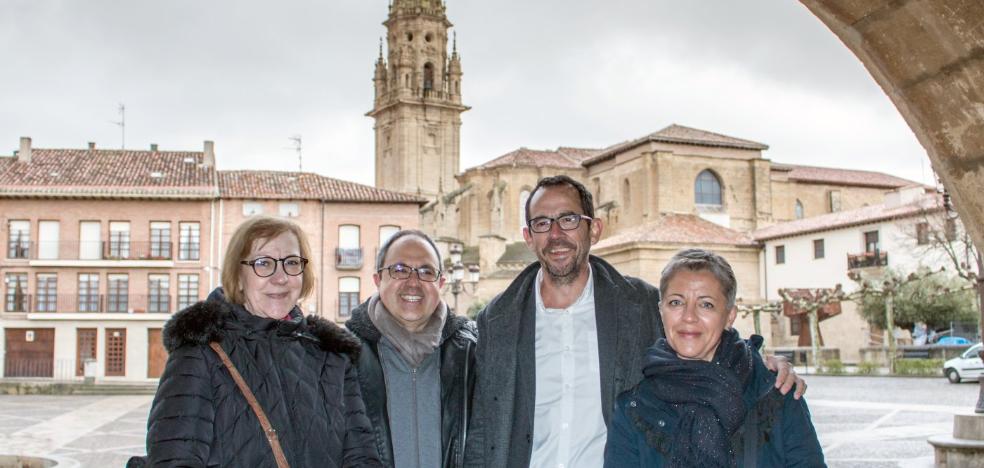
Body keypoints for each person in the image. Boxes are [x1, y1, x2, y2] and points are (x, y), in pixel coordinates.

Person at [463, 175, 804, 468]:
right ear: (528, 237)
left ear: (594, 229)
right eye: (542, 223)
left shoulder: (640, 305)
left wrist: (760, 366)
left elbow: (699, 336)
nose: (555, 234)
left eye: (568, 219)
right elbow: (481, 426)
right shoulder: (497, 321)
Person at [129, 216, 382, 467]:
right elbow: (176, 459)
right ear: (237, 276)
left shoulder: (332, 356)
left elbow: (361, 458)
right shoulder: (201, 353)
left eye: (292, 263)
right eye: (263, 263)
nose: (280, 277)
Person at [604, 249, 825, 467]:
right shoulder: (633, 408)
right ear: (661, 311)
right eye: (676, 302)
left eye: (706, 304)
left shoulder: (775, 393)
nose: (689, 316)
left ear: (729, 316)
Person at [346, 230, 477, 468]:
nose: (413, 282)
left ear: (441, 283)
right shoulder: (342, 355)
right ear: (378, 280)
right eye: (399, 270)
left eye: (426, 271)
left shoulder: (473, 354)